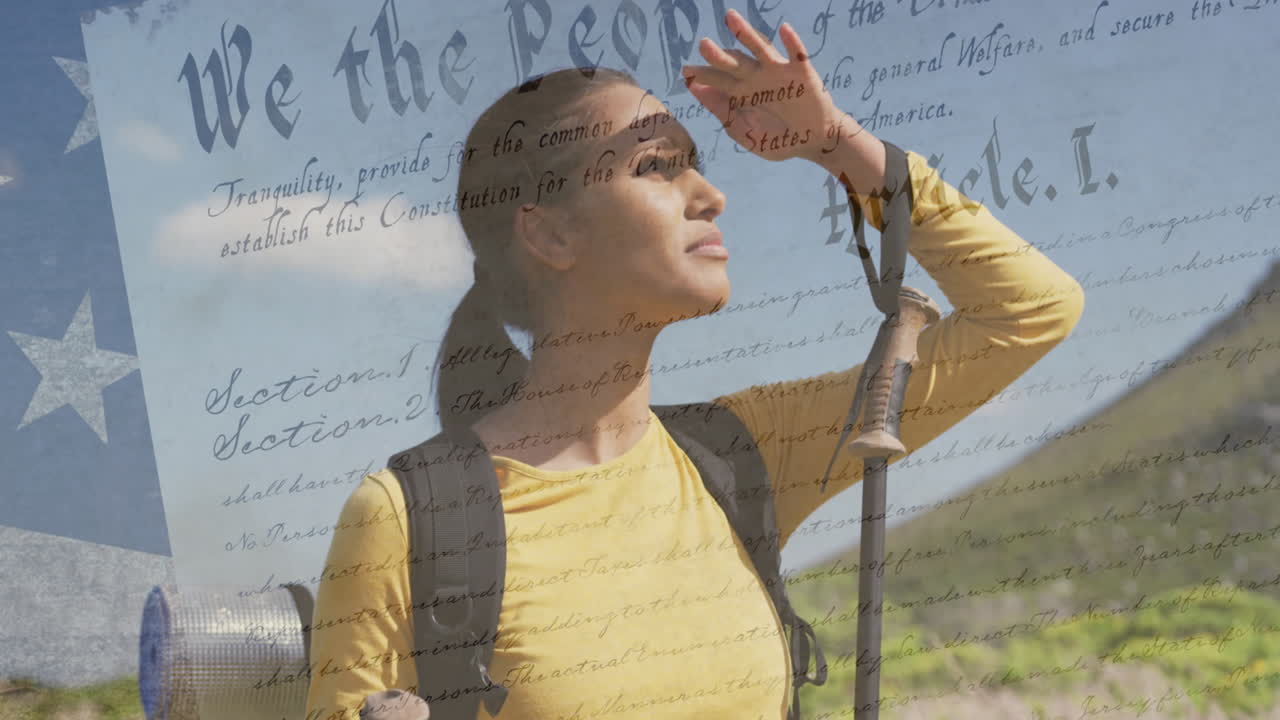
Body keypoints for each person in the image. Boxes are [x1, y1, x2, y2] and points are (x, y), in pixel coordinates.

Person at [304, 9, 1085, 720]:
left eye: (695, 164)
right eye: (657, 166)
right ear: (549, 236)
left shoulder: (743, 454)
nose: (709, 194)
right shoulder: (409, 519)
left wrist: (835, 143)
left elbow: (1030, 311)